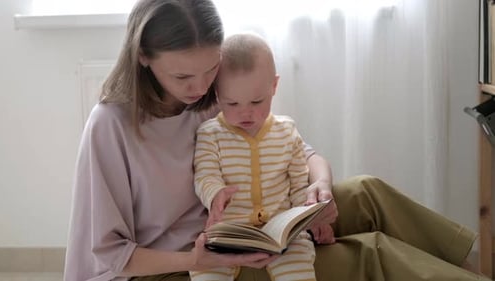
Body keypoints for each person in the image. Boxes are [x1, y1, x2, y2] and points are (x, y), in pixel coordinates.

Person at [63, 0, 490, 280]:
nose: (199, 87)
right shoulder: (112, 126)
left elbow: (299, 150)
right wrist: (196, 260)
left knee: (366, 192)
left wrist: (318, 186)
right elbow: (108, 255)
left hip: (251, 221)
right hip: (186, 265)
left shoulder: (215, 97)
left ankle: (480, 262)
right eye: (182, 76)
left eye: (210, 69)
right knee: (371, 252)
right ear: (142, 56)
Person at [190, 33, 317, 281]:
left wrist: (311, 218)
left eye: (257, 101)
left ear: (274, 86)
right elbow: (205, 174)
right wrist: (215, 194)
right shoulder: (210, 134)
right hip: (228, 234)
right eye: (232, 103)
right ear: (217, 95)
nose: (245, 112)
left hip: (283, 235)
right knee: (205, 272)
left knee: (299, 267)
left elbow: (299, 184)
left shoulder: (286, 130)